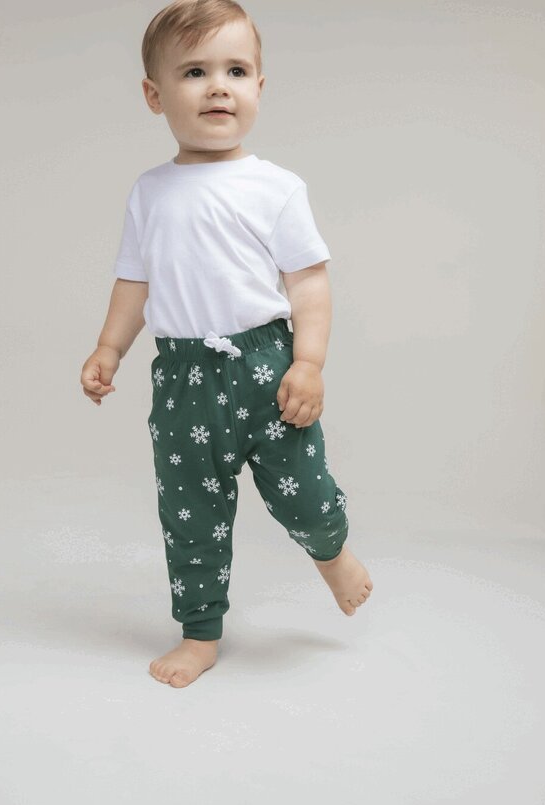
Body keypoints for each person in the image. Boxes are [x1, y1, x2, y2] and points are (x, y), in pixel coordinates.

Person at [80, 0, 373, 689]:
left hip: (267, 368)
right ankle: (200, 631)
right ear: (154, 95)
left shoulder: (275, 188)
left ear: (259, 88)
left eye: (236, 71)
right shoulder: (150, 192)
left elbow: (308, 284)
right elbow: (134, 281)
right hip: (183, 381)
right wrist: (109, 349)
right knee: (191, 514)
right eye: (195, 72)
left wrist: (308, 362)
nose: (218, 87)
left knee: (305, 494)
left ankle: (333, 553)